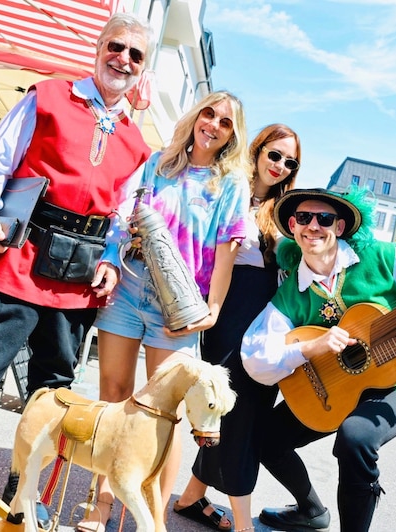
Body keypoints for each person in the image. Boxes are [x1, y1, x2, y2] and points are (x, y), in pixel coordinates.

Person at [0, 13, 153, 531]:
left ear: (142, 68)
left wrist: (111, 260)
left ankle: (22, 493)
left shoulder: (136, 143)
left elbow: (122, 215)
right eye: (116, 47)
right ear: (98, 46)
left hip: (80, 272)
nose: (123, 60)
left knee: (53, 391)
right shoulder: (47, 97)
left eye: (135, 55)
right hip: (20, 254)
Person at [240, 188, 396, 531]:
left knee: (356, 437)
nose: (314, 226)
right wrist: (310, 348)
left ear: (339, 227)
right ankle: (310, 511)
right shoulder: (291, 291)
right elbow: (255, 356)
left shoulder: (382, 256)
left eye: (324, 219)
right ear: (292, 226)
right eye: (304, 218)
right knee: (265, 438)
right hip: (333, 386)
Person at [83, 91, 250, 532]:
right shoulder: (157, 164)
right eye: (208, 113)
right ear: (196, 116)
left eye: (225, 122)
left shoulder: (228, 183)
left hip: (179, 308)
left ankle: (153, 519)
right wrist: (110, 260)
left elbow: (225, 249)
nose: (212, 124)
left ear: (232, 136)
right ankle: (101, 504)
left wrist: (213, 309)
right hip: (129, 291)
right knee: (113, 397)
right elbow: (123, 220)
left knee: (167, 415)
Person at [173, 124, 301, 532]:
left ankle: (191, 496)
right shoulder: (227, 190)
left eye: (290, 161)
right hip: (229, 312)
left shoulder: (288, 212)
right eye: (275, 155)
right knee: (235, 414)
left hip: (270, 321)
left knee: (250, 413)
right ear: (258, 150)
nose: (280, 165)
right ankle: (244, 524)